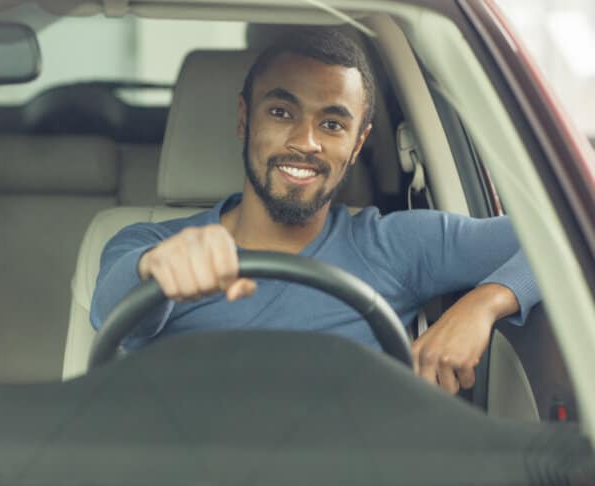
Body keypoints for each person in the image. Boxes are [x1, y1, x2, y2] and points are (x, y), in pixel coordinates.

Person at [90, 28, 539, 395]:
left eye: (331, 124)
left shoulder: (396, 245)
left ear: (358, 142)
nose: (306, 142)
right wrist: (159, 272)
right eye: (282, 112)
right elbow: (115, 310)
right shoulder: (145, 244)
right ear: (245, 119)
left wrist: (484, 304)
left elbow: (564, 242)